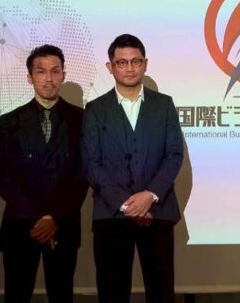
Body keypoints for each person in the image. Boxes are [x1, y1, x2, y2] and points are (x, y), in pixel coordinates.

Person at [82, 34, 185, 303]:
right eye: (122, 62)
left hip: (157, 211)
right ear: (110, 67)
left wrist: (150, 195)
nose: (130, 68)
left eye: (136, 61)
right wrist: (126, 204)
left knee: (161, 293)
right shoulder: (95, 109)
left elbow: (174, 154)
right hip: (112, 213)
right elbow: (91, 163)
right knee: (112, 293)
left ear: (145, 64)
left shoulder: (164, 104)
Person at [0, 45, 89, 303]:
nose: (49, 78)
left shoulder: (81, 119)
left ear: (63, 75)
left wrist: (54, 216)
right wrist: (37, 217)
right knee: (16, 294)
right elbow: (2, 174)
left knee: (61, 294)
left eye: (55, 71)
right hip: (21, 223)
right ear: (30, 77)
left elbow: (83, 173)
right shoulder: (10, 121)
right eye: (41, 71)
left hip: (63, 223)